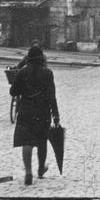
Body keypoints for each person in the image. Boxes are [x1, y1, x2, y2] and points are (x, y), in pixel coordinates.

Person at [10, 45, 60, 185]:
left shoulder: (21, 72)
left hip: (26, 110)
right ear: (41, 58)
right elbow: (52, 96)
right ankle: (40, 169)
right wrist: (55, 114)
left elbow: (13, 92)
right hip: (42, 111)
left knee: (26, 141)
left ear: (29, 58)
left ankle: (28, 171)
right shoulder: (48, 73)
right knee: (42, 141)